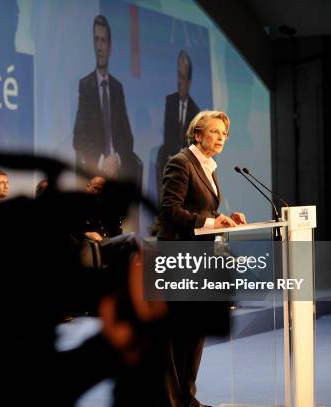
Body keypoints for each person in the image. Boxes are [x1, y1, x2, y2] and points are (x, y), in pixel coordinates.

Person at [158, 110, 246, 407]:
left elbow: (202, 210)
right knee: (175, 337)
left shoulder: (209, 166)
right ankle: (171, 401)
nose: (221, 137)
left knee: (194, 334)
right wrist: (211, 223)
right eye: (215, 132)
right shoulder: (181, 162)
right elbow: (170, 210)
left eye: (224, 133)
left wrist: (223, 218)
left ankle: (188, 399)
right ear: (197, 134)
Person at [73, 15, 140, 184]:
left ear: (109, 47)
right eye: (96, 40)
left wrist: (116, 159)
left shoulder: (117, 88)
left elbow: (128, 137)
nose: (99, 47)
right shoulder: (85, 85)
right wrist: (102, 161)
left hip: (117, 167)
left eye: (103, 41)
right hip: (96, 165)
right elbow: (78, 137)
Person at [156, 50, 201, 204]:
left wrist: (181, 156)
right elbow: (168, 133)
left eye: (182, 77)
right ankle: (162, 209)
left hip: (187, 158)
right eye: (178, 76)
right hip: (171, 154)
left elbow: (194, 144)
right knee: (161, 154)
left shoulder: (196, 111)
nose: (179, 82)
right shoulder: (171, 101)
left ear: (189, 81)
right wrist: (173, 154)